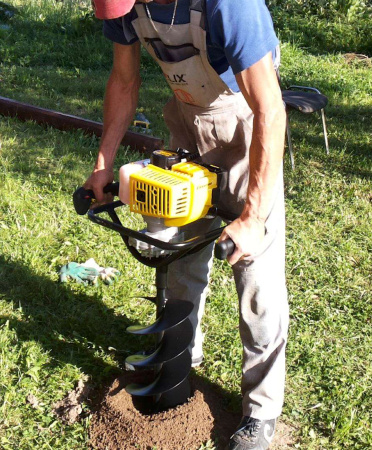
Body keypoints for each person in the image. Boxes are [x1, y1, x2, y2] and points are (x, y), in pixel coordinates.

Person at [83, 1, 288, 448]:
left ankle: (261, 411)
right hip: (186, 124)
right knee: (180, 257)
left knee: (257, 279)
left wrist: (253, 216)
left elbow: (271, 109)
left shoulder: (228, 5)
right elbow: (124, 79)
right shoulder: (123, 8)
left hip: (247, 128)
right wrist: (103, 165)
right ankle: (179, 362)